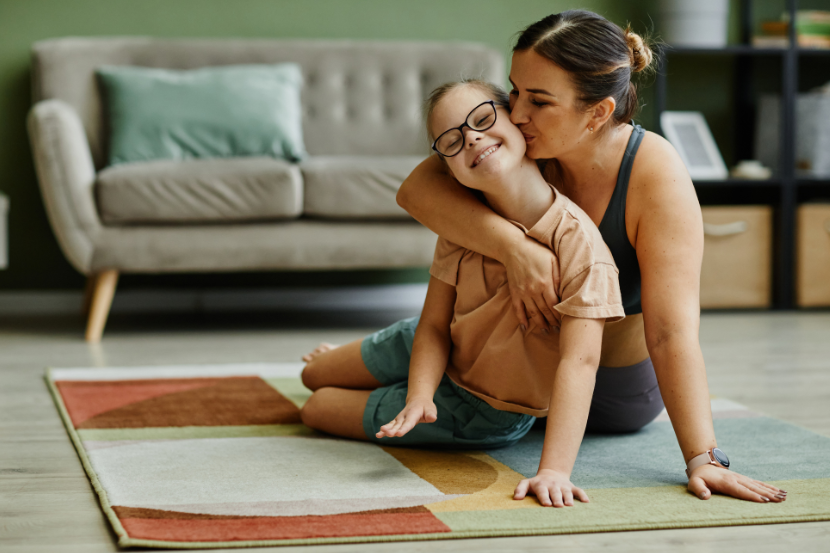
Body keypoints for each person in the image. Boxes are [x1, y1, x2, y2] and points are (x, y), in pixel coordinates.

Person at [396, 10, 786, 505]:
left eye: (538, 101)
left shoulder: (654, 175)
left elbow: (670, 333)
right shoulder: (524, 142)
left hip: (611, 393)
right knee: (412, 357)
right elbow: (417, 190)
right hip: (513, 370)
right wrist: (513, 248)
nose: (515, 113)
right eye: (515, 91)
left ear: (597, 112)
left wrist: (704, 458)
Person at [301, 78, 628, 508]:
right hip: (432, 343)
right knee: (312, 375)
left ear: (519, 123)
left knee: (315, 407)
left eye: (481, 119)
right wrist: (419, 394)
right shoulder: (462, 220)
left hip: (482, 407)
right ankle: (380, 373)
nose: (471, 137)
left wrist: (554, 471)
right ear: (447, 164)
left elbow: (580, 363)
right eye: (451, 140)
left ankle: (378, 375)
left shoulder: (581, 249)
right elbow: (434, 325)